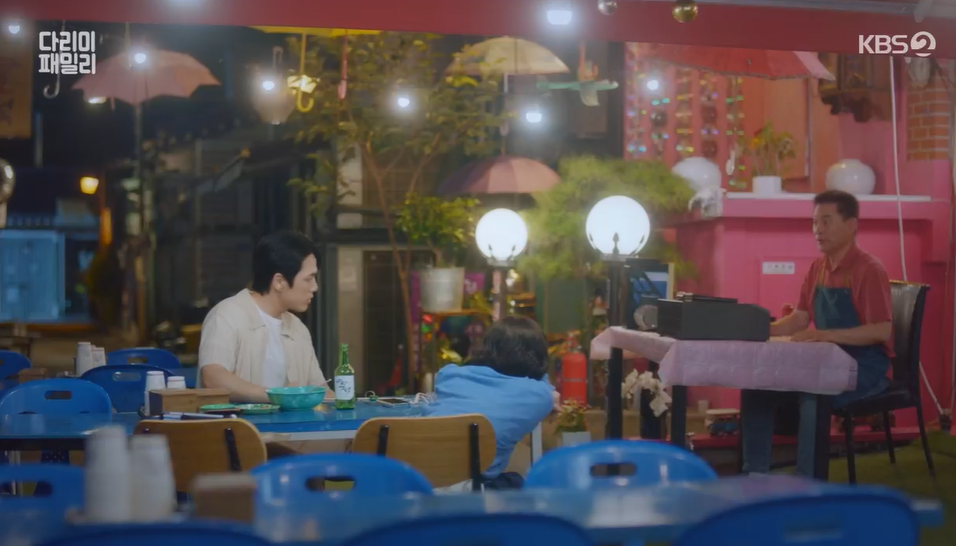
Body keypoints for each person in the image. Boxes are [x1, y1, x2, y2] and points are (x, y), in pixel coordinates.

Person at [742, 190, 893, 476]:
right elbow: (799, 319)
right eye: (815, 222)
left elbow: (882, 330)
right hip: (824, 361)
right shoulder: (817, 268)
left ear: (851, 225)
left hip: (865, 367)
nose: (818, 230)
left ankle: (808, 482)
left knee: (814, 393)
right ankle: (754, 475)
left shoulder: (869, 269)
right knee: (757, 384)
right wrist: (759, 329)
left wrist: (824, 335)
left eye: (826, 221)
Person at [423, 316, 558, 489]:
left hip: (419, 482)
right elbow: (549, 391)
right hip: (472, 489)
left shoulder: (448, 374)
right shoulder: (537, 394)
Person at [198, 231, 331, 403]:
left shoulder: (298, 328)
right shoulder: (227, 316)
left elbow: (320, 389)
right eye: (308, 279)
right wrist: (277, 396)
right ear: (279, 281)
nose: (315, 287)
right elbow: (213, 377)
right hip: (239, 421)